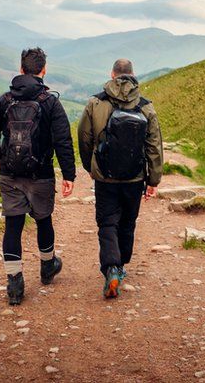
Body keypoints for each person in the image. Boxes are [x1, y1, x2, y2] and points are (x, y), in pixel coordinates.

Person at [0, 48, 76, 305]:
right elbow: (63, 140)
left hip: (10, 173)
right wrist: (69, 174)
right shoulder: (50, 102)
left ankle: (15, 285)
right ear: (43, 70)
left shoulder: (5, 100)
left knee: (13, 225)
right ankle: (48, 267)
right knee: (43, 220)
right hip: (41, 174)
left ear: (21, 69)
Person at [77, 58, 163, 299]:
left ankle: (111, 267)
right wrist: (153, 180)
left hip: (105, 177)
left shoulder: (96, 102)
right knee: (127, 223)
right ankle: (121, 265)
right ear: (133, 75)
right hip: (134, 178)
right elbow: (154, 145)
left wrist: (91, 166)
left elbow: (84, 137)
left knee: (107, 223)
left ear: (112, 74)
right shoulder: (146, 107)